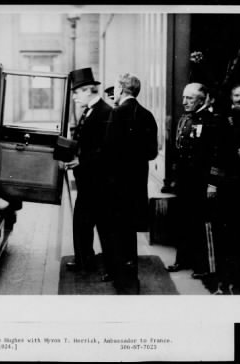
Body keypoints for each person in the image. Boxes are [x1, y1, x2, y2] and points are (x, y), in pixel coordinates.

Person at [102, 73, 158, 294]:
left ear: (121, 89)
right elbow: (152, 153)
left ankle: (123, 283)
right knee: (129, 235)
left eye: (115, 88)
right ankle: (131, 279)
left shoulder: (117, 114)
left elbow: (108, 153)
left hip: (116, 187)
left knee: (117, 234)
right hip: (136, 187)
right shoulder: (147, 115)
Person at [166, 83, 223, 279]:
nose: (184, 102)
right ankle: (183, 259)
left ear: (202, 99)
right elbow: (179, 151)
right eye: (184, 97)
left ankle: (205, 266)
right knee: (183, 221)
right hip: (185, 181)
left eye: (190, 98)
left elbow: (217, 155)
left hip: (202, 181)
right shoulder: (185, 119)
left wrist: (213, 184)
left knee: (202, 223)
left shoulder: (212, 121)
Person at [64, 67, 112, 272]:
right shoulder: (90, 110)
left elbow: (106, 148)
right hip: (88, 178)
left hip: (97, 180)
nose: (74, 97)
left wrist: (81, 160)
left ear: (87, 90)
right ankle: (86, 259)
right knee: (83, 221)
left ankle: (92, 261)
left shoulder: (104, 112)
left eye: (76, 92)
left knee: (91, 221)